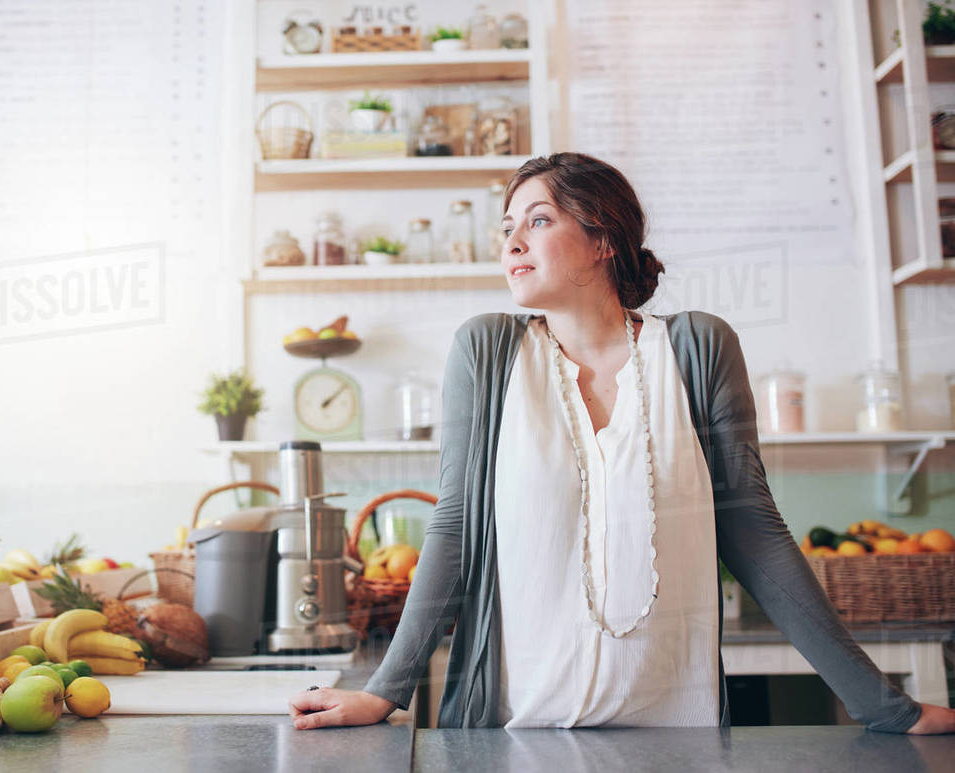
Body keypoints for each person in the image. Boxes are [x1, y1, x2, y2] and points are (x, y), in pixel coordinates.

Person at [289, 152, 955, 733]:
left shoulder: (696, 348)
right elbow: (455, 526)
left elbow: (754, 530)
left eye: (538, 220)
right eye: (506, 228)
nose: (512, 242)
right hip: (513, 728)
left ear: (603, 237)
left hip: (677, 730)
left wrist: (886, 707)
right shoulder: (487, 352)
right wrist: (385, 691)